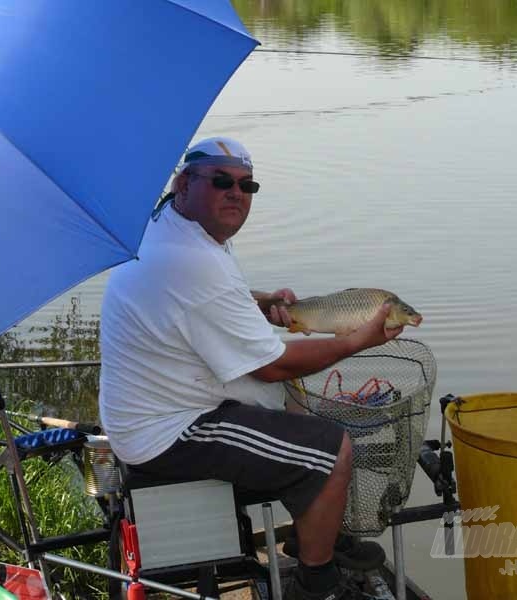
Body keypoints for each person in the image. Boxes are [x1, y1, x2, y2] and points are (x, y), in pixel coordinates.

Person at [99, 136, 403, 600]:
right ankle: (316, 583)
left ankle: (311, 530)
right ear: (183, 184)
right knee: (334, 448)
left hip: (163, 401)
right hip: (168, 432)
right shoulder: (191, 260)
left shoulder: (171, 226)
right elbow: (273, 366)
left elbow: (205, 301)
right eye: (221, 181)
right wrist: (356, 340)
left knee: (298, 404)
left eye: (247, 185)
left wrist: (258, 302)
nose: (235, 193)